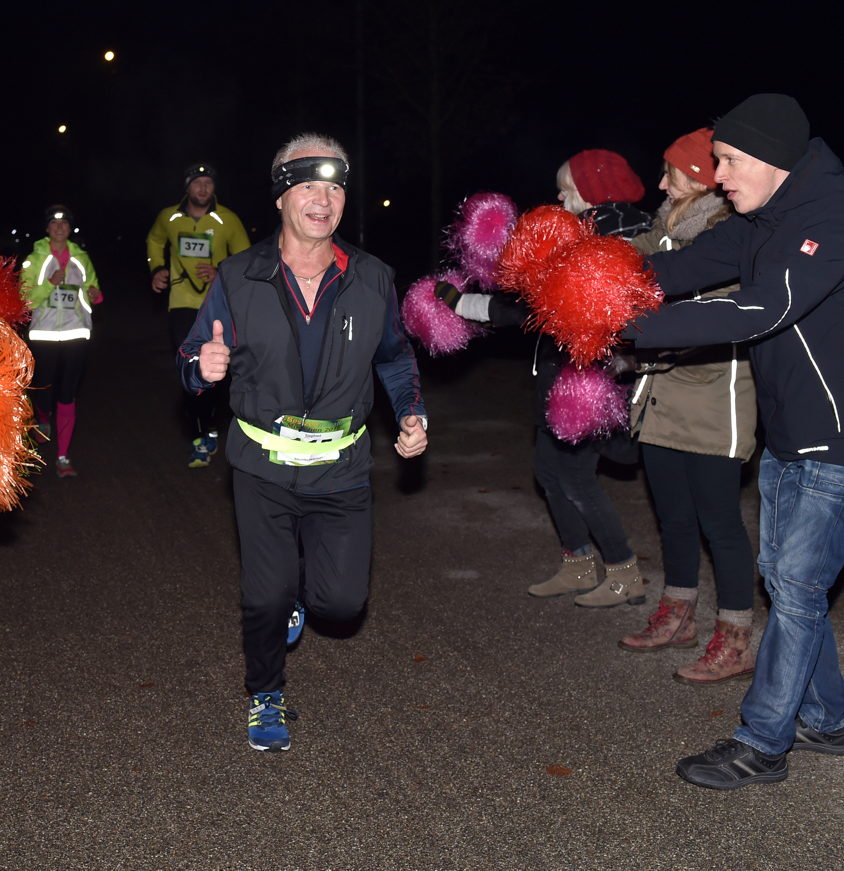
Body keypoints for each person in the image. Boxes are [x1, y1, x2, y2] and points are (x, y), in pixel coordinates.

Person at [620, 95, 844, 789]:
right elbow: (675, 272)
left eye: (729, 161)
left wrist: (629, 328)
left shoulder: (840, 217)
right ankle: (826, 720)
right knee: (791, 582)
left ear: (771, 159)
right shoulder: (758, 221)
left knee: (793, 584)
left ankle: (763, 741)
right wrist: (590, 287)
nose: (718, 173)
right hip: (788, 433)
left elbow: (764, 307)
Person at [178, 134, 427, 752]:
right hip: (261, 466)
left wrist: (411, 414)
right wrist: (200, 367)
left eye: (337, 186)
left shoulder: (373, 279)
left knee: (341, 605)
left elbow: (396, 361)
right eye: (310, 184)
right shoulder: (238, 277)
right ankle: (266, 696)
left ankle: (300, 600)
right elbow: (189, 355)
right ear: (283, 193)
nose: (325, 199)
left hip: (341, 469)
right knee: (265, 596)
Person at [453, 150, 650, 608]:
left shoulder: (614, 241)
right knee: (548, 473)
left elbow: (537, 308)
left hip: (587, 386)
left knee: (577, 478)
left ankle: (625, 573)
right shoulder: (576, 236)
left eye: (568, 188)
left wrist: (466, 306)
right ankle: (578, 564)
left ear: (595, 192)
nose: (559, 196)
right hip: (557, 378)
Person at [617, 128, 758, 684]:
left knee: (720, 523)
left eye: (671, 174)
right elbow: (633, 266)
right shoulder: (666, 233)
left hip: (713, 400)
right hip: (661, 395)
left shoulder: (729, 241)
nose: (660, 183)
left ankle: (736, 634)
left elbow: (723, 321)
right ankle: (678, 615)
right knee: (672, 516)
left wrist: (648, 336)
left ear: (700, 179)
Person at [148, 163, 250, 468]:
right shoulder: (169, 217)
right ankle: (198, 435)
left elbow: (247, 260)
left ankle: (212, 424)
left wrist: (220, 270)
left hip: (218, 306)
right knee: (190, 366)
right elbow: (154, 240)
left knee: (218, 369)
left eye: (208, 182)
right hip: (181, 302)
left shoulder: (228, 219)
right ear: (187, 187)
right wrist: (157, 268)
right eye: (197, 182)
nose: (203, 188)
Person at [20, 206, 102, 476]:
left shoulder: (81, 257)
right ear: (46, 228)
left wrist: (93, 293)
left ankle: (63, 457)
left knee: (68, 393)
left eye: (64, 223)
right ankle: (42, 418)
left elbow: (95, 289)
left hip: (76, 332)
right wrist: (50, 284)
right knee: (44, 392)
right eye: (54, 223)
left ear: (70, 228)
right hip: (43, 334)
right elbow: (25, 299)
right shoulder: (34, 259)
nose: (59, 227)